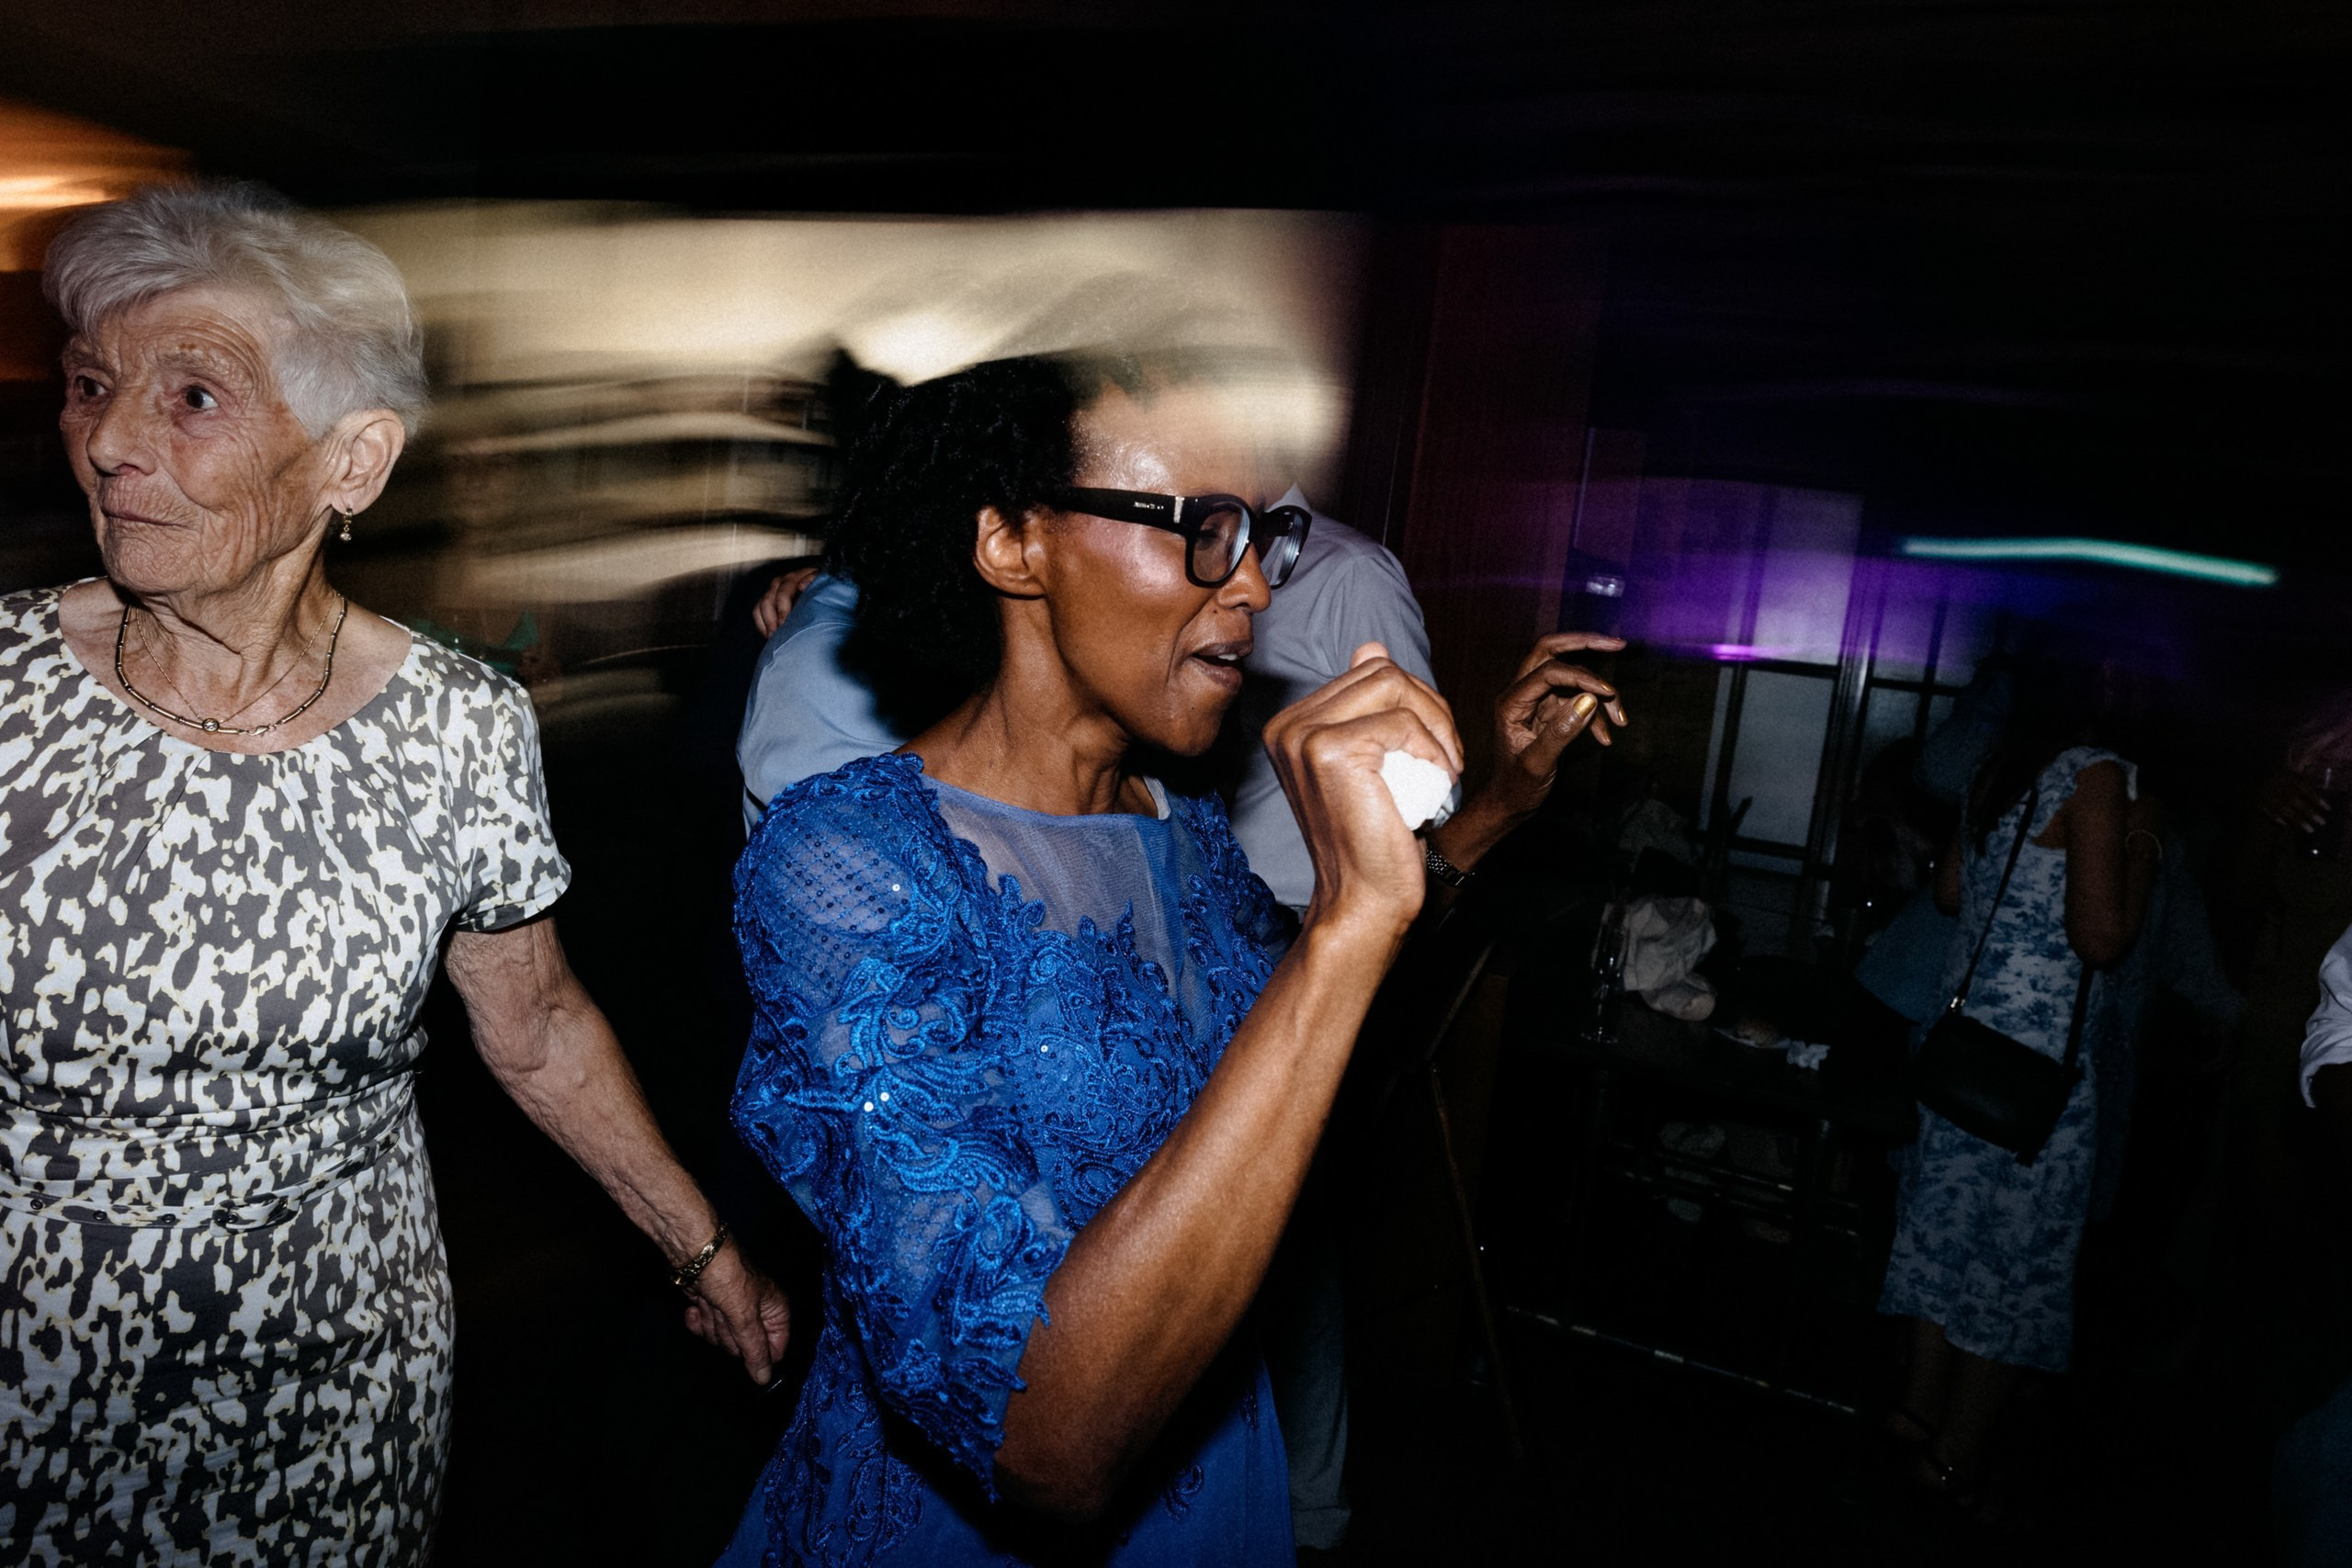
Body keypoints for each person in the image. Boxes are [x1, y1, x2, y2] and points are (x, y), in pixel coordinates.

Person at [719, 351, 1620, 1566]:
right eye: (1202, 527)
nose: (1250, 582)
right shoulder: (851, 864)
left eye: (1262, 533)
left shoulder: (1177, 832)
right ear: (1011, 544)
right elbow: (1045, 1439)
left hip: (1213, 1489)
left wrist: (1494, 808)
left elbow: (1303, 1064)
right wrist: (1346, 924)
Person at [0, 183, 790, 1564]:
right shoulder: (7, 687)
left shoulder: (457, 726)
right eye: (89, 385)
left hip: (328, 1391)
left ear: (352, 460)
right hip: (31, 1376)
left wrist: (704, 1249)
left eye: (191, 397)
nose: (109, 442)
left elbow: (537, 1027)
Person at [1875, 640, 2160, 1511]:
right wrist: (2143, 852)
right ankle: (1954, 1459)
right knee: (2016, 1265)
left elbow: (1954, 894)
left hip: (1961, 1051)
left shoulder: (2009, 766)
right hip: (2037, 1069)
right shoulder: (2100, 773)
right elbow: (2102, 937)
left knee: (1939, 1236)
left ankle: (1916, 1418)